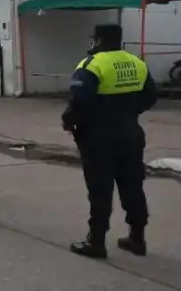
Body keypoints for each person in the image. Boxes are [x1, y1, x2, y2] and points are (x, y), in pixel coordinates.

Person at [63, 24, 157, 259]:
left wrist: (70, 121)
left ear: (98, 39)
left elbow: (79, 101)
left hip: (98, 136)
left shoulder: (92, 64)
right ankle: (137, 238)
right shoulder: (137, 63)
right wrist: (128, 113)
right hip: (130, 133)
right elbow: (151, 96)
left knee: (100, 189)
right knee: (133, 185)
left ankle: (96, 242)